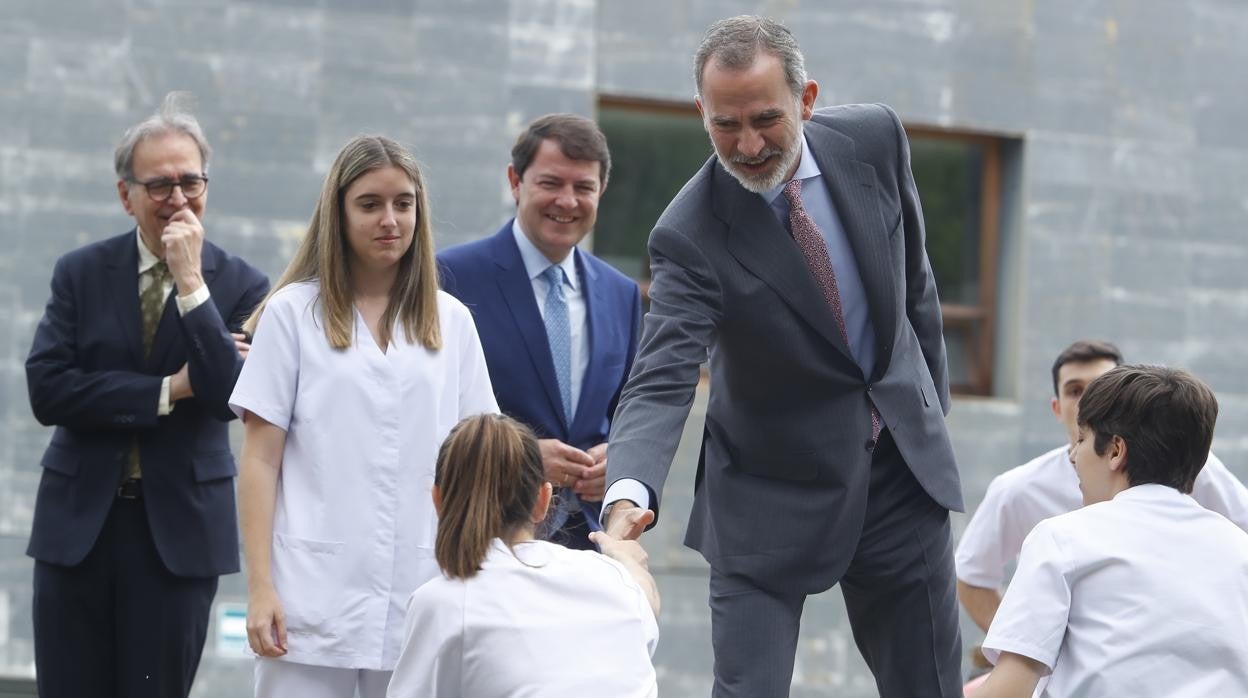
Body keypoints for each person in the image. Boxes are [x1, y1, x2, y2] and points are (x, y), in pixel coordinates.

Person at [600, 15, 963, 697]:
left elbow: (917, 289)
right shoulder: (689, 233)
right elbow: (661, 377)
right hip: (766, 497)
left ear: (808, 99)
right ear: (701, 114)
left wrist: (926, 422)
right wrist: (628, 495)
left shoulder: (875, 140)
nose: (748, 143)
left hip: (896, 480)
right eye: (724, 125)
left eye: (766, 119)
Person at [229, 135, 498, 698]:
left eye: (403, 203)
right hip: (306, 598)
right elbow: (258, 459)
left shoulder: (453, 323)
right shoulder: (291, 314)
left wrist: (482, 580)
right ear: (339, 211)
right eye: (370, 203)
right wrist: (260, 589)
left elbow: (479, 465)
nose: (390, 219)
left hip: (423, 590)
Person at [24, 92, 269, 698]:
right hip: (79, 528)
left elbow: (223, 397)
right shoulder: (80, 273)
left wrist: (190, 282)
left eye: (191, 182)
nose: (178, 199)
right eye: (160, 186)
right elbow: (49, 389)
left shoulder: (242, 284)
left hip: (177, 537)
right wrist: (166, 389)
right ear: (125, 194)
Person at [975, 365, 1248, 697]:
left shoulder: (1063, 538)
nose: (1073, 456)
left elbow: (1008, 690)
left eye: (1081, 439)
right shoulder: (1239, 549)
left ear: (1116, 451)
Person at [438, 113, 641, 549]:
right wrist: (519, 458)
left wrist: (622, 455)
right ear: (515, 181)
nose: (567, 201)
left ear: (601, 191)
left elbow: (632, 409)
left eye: (583, 187)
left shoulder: (621, 294)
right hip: (487, 537)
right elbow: (430, 410)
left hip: (591, 545)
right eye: (551, 183)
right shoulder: (450, 278)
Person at [386, 413, 659, 697]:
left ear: (437, 500)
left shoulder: (442, 602)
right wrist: (620, 554)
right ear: (543, 499)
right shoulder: (615, 580)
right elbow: (647, 597)